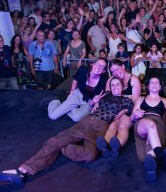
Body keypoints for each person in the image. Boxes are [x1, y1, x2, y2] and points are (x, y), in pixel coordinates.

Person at [0, 77, 133, 184]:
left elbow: (132, 112)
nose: (115, 87)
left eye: (118, 85)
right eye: (113, 85)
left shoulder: (126, 101)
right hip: (88, 121)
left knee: (90, 156)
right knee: (54, 141)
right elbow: (88, 97)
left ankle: (64, 149)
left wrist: (125, 111)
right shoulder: (104, 95)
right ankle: (22, 170)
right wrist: (94, 101)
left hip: (102, 128)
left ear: (123, 87)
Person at [131, 77, 166, 182]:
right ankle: (161, 156)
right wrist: (135, 114)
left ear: (159, 87)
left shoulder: (164, 100)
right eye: (151, 82)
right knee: (150, 124)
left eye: (157, 82)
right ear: (148, 86)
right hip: (142, 123)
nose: (154, 84)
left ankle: (152, 168)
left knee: (145, 157)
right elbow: (131, 118)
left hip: (159, 124)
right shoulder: (141, 99)